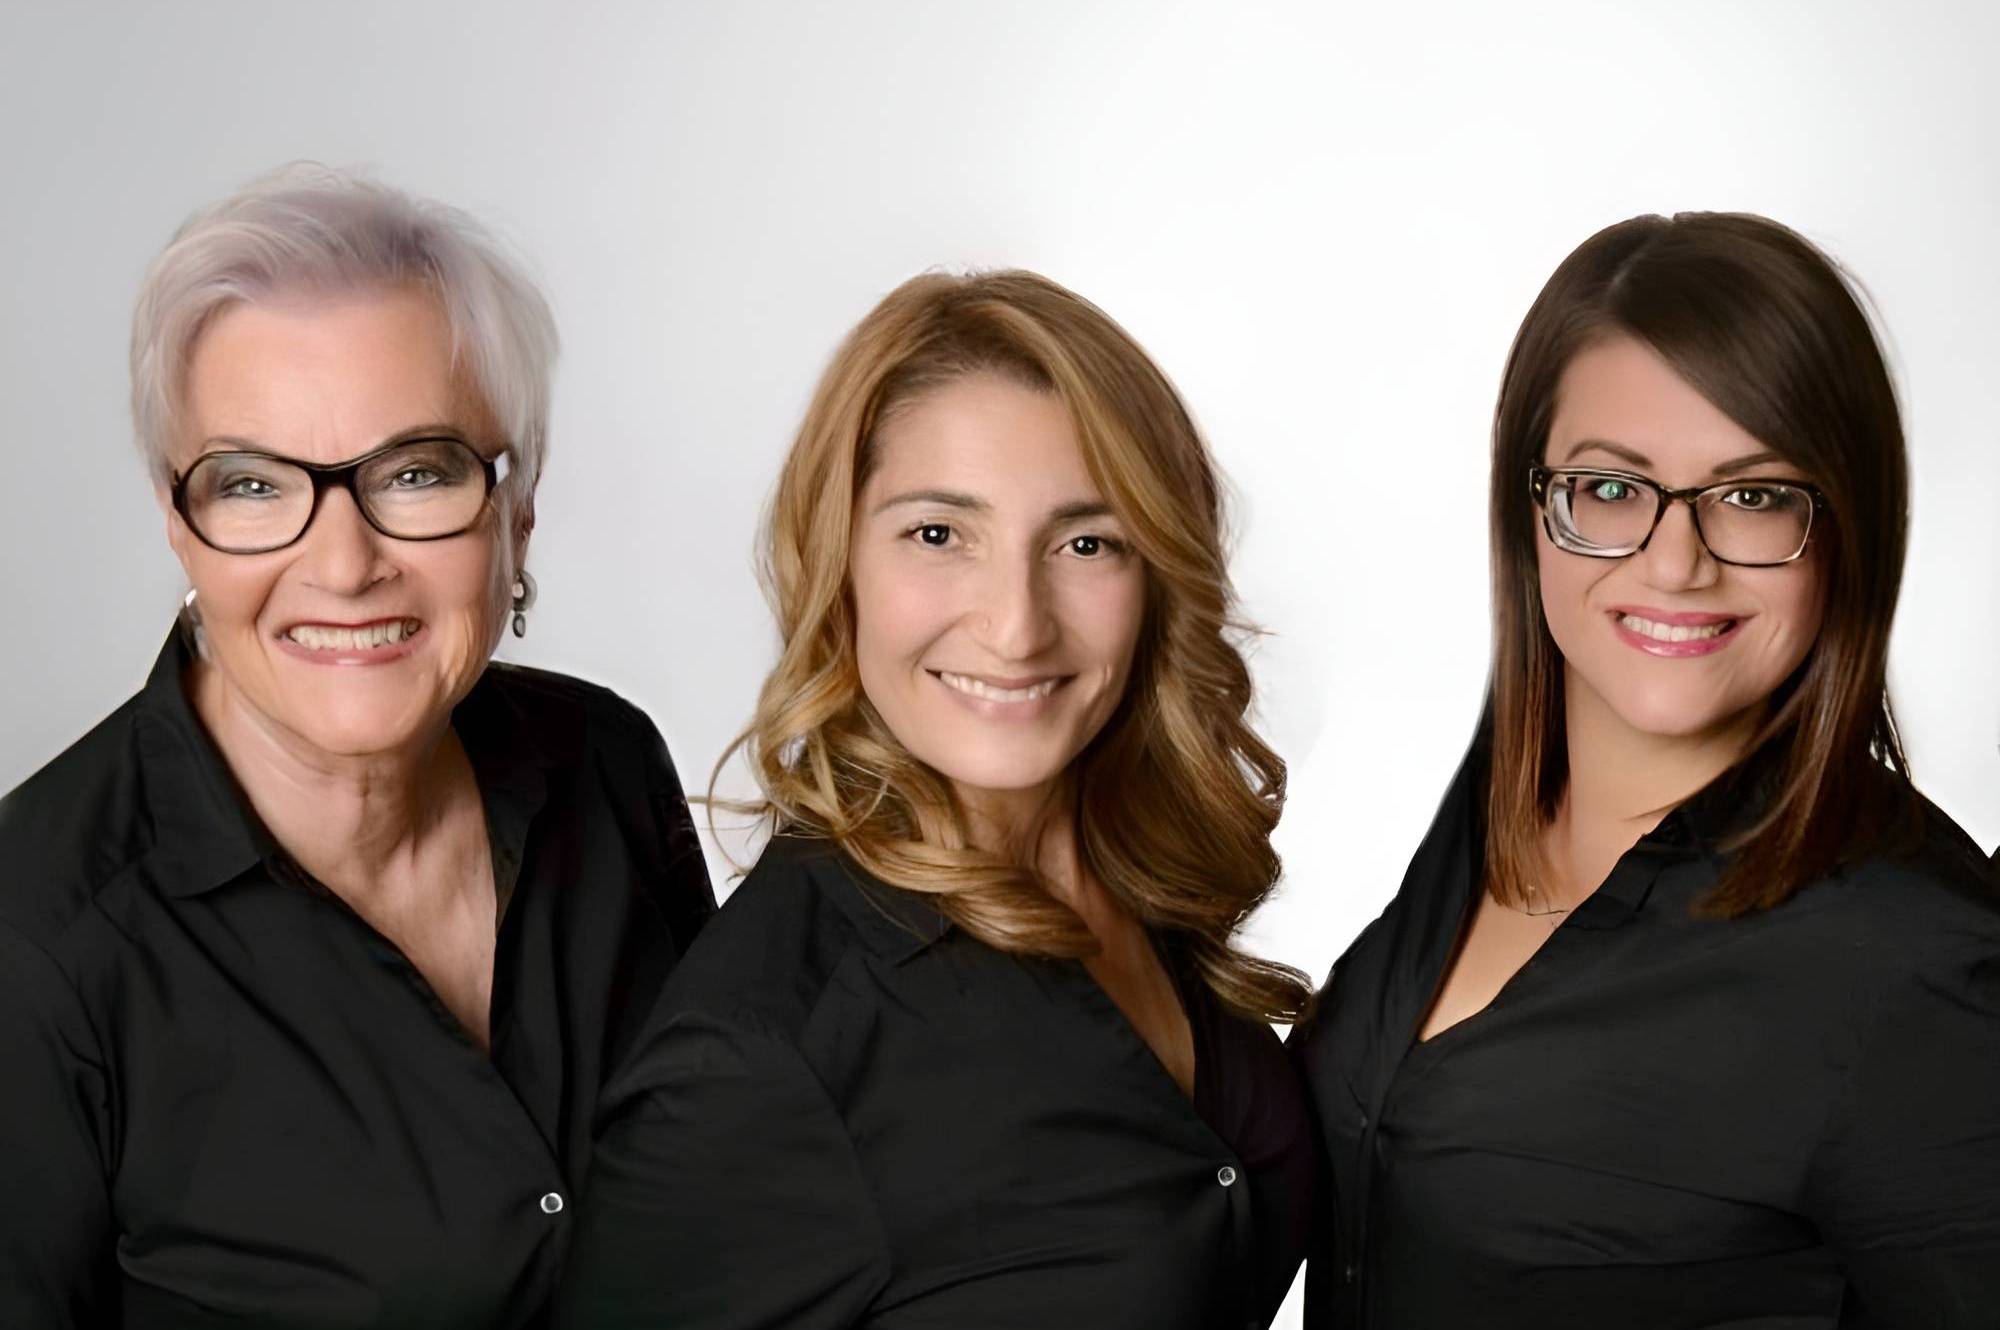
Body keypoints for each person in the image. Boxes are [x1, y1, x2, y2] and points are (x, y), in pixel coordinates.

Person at [0, 166, 715, 1327]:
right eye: (252, 484)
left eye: (415, 472)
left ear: (517, 503)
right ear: (179, 523)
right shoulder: (35, 941)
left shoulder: (607, 762)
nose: (342, 566)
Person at [555, 270, 1317, 1328]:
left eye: (1085, 542)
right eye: (937, 534)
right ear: (839, 560)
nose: (1016, 625)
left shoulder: (1142, 891)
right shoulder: (763, 1057)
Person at [1290, 212, 2000, 1328]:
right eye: (1612, 489)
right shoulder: (1488, 826)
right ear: (1532, 512)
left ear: (1846, 529)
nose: (1675, 563)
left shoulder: (1920, 966)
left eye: (1753, 495)